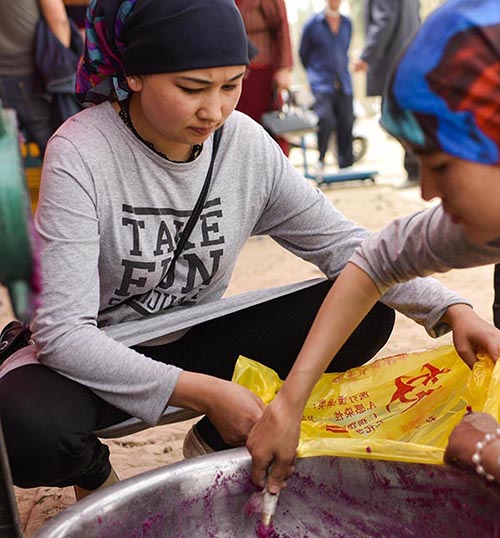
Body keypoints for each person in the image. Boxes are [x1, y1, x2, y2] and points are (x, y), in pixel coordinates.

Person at [0, 0, 495, 501]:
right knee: (26, 425)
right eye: (191, 88)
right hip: (99, 356)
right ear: (134, 76)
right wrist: (207, 392)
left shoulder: (245, 146)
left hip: (194, 336)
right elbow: (63, 333)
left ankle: (212, 444)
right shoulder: (81, 151)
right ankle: (99, 483)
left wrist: (452, 308)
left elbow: (347, 245)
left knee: (365, 314)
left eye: (231, 85)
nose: (213, 110)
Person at [247, 0, 500, 491]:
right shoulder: (473, 220)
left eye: (442, 165)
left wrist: (490, 450)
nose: (426, 190)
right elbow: (373, 262)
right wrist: (289, 402)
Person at [354, 0, 421, 188]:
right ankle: (417, 167)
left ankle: (418, 166)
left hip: (394, 61)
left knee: (392, 118)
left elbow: (384, 20)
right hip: (409, 58)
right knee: (407, 117)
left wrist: (366, 56)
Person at [0, 0, 71, 154]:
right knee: (54, 147)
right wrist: (61, 65)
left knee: (7, 152)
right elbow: (59, 22)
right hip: (30, 74)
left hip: (8, 72)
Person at [299, 0, 354, 174]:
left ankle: (346, 165)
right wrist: (314, 74)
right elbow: (303, 54)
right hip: (321, 83)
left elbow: (344, 50)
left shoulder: (347, 24)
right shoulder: (312, 25)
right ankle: (321, 159)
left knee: (347, 121)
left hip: (343, 82)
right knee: (326, 118)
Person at [235, 0, 293, 156]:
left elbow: (281, 25)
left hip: (260, 74)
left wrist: (284, 68)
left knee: (266, 132)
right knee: (235, 133)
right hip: (231, 73)